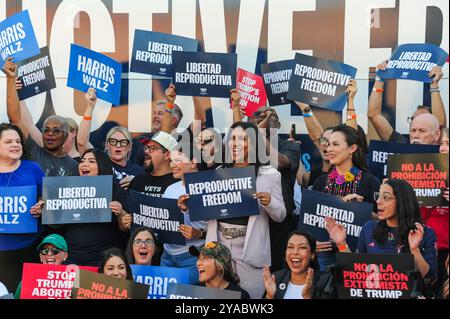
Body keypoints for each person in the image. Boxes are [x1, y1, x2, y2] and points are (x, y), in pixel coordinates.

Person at [183, 121, 286, 299]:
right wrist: (188, 207)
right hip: (218, 247)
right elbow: (208, 215)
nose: (235, 144)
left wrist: (269, 201)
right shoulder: (218, 172)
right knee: (215, 299)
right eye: (232, 139)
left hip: (250, 252)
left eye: (243, 139)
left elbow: (280, 216)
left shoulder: (270, 174)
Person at [327, 179, 437, 296]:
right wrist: (341, 243)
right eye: (378, 196)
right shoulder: (368, 228)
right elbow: (355, 271)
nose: (378, 201)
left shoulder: (424, 233)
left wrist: (414, 250)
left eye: (386, 197)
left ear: (402, 202)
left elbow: (428, 279)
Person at [31, 149, 130, 266]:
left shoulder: (114, 189)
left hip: (103, 259)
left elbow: (126, 229)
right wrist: (44, 212)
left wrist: (120, 213)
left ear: (102, 166)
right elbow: (56, 225)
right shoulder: (67, 189)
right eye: (82, 161)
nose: (84, 164)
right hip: (73, 258)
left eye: (91, 161)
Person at [312, 124, 380, 270]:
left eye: (335, 144)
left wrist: (361, 209)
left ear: (352, 149)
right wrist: (312, 243)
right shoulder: (320, 181)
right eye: (328, 144)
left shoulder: (370, 182)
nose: (329, 149)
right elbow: (309, 221)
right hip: (325, 257)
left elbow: (382, 223)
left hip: (359, 255)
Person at [4, 58, 78, 177]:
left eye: (56, 130)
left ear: (66, 134)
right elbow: (15, 119)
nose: (50, 133)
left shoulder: (74, 167)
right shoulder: (33, 151)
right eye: (46, 130)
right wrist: (10, 79)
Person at [252, 106, 300, 272]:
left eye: (270, 117)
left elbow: (279, 162)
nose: (264, 119)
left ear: (278, 125)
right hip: (253, 220)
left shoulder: (290, 145)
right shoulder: (246, 149)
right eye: (259, 117)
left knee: (278, 270)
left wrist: (258, 134)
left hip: (280, 222)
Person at [0, 123, 44, 293]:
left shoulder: (32, 168)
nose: (15, 145)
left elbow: (46, 198)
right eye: (8, 141)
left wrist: (42, 206)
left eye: (18, 141)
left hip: (28, 249)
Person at [162, 144, 208, 284]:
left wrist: (199, 233)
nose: (172, 165)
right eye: (171, 161)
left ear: (193, 162)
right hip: (167, 255)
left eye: (177, 160)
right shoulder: (170, 189)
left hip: (192, 256)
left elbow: (216, 226)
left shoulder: (208, 188)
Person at [77, 96, 144, 189]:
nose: (118, 145)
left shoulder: (139, 172)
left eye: (123, 142)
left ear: (129, 147)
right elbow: (82, 142)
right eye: (113, 141)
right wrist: (90, 106)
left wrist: (137, 182)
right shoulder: (99, 163)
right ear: (107, 145)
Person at [368, 63, 445, 144]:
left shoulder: (440, 147)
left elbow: (439, 124)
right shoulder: (402, 144)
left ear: (437, 134)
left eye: (422, 130)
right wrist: (380, 78)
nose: (416, 135)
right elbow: (374, 115)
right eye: (413, 130)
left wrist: (434, 85)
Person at [262, 231, 336, 299]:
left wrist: (307, 297)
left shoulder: (324, 282)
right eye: (290, 247)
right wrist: (269, 296)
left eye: (302, 247)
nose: (295, 252)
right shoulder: (275, 278)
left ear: (312, 255)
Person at [421, 127, 449, 295]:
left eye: (448, 143)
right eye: (442, 143)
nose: (443, 147)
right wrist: (428, 201)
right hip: (431, 249)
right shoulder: (429, 172)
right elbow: (421, 218)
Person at [14, 234, 69, 299]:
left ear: (65, 256)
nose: (49, 254)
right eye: (45, 251)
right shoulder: (26, 282)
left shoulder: (76, 282)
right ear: (40, 257)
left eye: (55, 251)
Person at [128, 132, 180, 197]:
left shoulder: (179, 185)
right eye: (146, 147)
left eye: (152, 148)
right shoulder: (137, 181)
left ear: (167, 155)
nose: (146, 151)